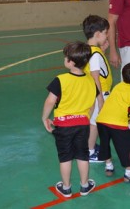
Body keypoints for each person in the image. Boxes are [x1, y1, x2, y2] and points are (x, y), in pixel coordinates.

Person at [42, 41, 97, 198]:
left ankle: (66, 188)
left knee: (65, 157)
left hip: (64, 125)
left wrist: (45, 117)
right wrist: (85, 117)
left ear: (70, 62)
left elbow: (50, 101)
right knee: (82, 154)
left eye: (66, 57)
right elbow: (92, 104)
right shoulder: (91, 81)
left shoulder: (60, 80)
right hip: (82, 124)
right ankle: (85, 186)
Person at [96, 62, 130, 183]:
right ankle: (129, 174)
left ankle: (109, 166)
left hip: (101, 120)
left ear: (123, 76)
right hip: (118, 124)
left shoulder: (118, 86)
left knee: (105, 143)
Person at [82, 15, 113, 163]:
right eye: (106, 32)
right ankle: (90, 152)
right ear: (98, 34)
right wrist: (100, 99)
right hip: (99, 94)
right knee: (94, 124)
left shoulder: (90, 50)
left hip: (93, 93)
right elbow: (96, 77)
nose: (107, 35)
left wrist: (103, 51)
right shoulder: (95, 54)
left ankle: (90, 146)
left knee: (93, 122)